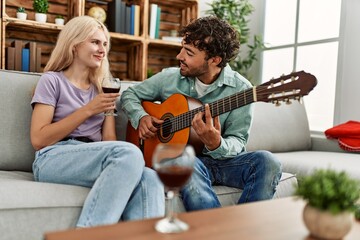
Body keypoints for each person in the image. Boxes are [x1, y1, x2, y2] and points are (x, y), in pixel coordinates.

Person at [121, 16, 282, 211]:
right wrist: (141, 117)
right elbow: (130, 94)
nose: (179, 56)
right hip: (186, 160)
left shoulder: (242, 90)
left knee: (268, 162)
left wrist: (217, 143)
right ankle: (213, 231)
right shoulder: (169, 78)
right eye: (182, 48)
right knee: (184, 160)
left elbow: (238, 141)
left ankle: (243, 228)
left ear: (215, 60)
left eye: (188, 53)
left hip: (223, 163)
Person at [30, 16, 164, 228]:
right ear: (74, 44)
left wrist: (107, 111)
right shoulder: (52, 81)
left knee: (151, 178)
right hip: (53, 157)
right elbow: (39, 139)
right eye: (95, 42)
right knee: (129, 153)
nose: (102, 49)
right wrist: (89, 109)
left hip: (93, 156)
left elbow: (109, 143)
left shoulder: (101, 88)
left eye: (104, 44)